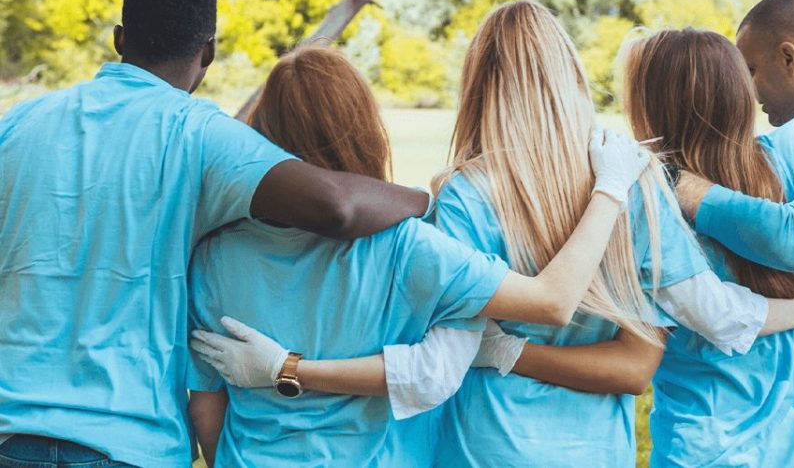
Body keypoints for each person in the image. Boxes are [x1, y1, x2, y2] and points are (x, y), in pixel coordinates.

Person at [0, 0, 434, 468]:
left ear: (119, 39)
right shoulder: (200, 134)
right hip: (128, 445)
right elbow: (337, 206)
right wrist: (424, 199)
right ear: (208, 51)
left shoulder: (17, 125)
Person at [425, 0, 794, 468]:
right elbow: (653, 351)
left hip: (488, 445)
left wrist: (506, 350)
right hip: (601, 451)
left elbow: (447, 349)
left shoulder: (463, 197)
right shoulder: (634, 181)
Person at [183, 46, 650, 467]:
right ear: (365, 128)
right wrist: (610, 187)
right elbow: (550, 302)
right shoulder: (410, 249)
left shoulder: (211, 260)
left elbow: (207, 403)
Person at [622, 26, 794, 467]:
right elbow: (712, 311)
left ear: (647, 104)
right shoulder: (782, 157)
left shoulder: (647, 199)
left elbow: (714, 310)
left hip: (709, 450)